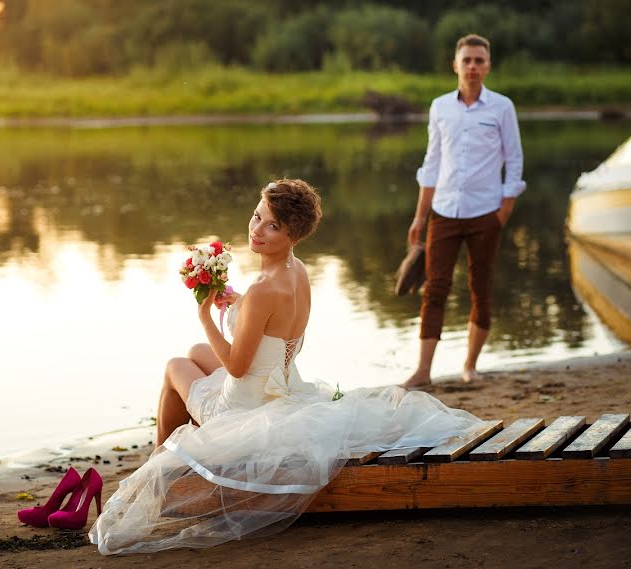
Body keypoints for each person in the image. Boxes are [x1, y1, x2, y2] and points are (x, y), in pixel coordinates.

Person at [90, 179, 484, 555]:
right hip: (280, 382)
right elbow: (270, 329)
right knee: (197, 351)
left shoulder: (264, 290)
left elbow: (238, 367)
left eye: (272, 226)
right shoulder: (296, 272)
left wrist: (206, 315)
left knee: (176, 364)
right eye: (257, 216)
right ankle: (183, 463)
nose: (257, 230)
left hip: (245, 405)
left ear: (293, 235)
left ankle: (163, 465)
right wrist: (234, 300)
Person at [403, 34, 526, 389]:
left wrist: (501, 213)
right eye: (467, 60)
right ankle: (423, 371)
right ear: (455, 65)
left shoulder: (502, 107)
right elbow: (432, 162)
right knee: (435, 288)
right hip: (443, 212)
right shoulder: (440, 106)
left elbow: (514, 162)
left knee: (480, 288)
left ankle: (469, 365)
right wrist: (419, 216)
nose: (473, 66)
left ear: (488, 66)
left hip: (485, 213)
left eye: (479, 60)